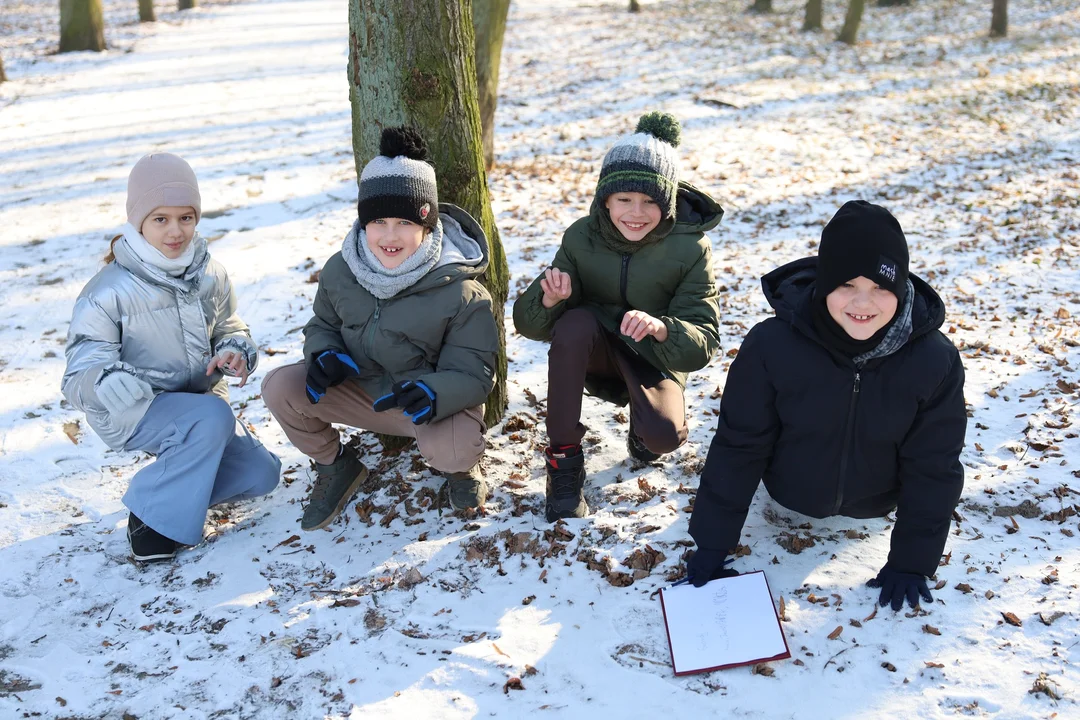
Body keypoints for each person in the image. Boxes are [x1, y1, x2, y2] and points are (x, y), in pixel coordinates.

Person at [688, 200, 967, 611]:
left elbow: (934, 465)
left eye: (880, 287)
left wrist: (913, 562)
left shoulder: (933, 360)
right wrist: (713, 542)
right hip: (788, 493)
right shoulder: (772, 346)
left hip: (877, 502)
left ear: (901, 286)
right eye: (847, 286)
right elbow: (740, 445)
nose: (863, 303)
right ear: (823, 285)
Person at [261, 127, 499, 530]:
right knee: (279, 388)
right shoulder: (342, 269)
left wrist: (432, 392)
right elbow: (323, 323)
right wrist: (323, 354)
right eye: (378, 221)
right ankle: (336, 466)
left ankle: (462, 471)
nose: (390, 236)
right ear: (364, 223)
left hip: (424, 404)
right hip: (361, 391)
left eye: (405, 222)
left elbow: (474, 371)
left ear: (427, 225)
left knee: (454, 450)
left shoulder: (460, 291)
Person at [62, 152, 281, 563]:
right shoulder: (108, 290)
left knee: (262, 473)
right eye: (160, 219)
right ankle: (150, 517)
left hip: (196, 405)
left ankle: (178, 494)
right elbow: (78, 371)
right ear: (138, 221)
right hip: (134, 407)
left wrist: (235, 350)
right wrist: (105, 379)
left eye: (186, 217)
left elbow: (230, 326)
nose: (175, 231)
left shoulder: (209, 272)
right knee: (214, 417)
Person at [513, 111, 723, 523]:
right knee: (574, 324)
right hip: (591, 349)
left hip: (652, 356)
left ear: (666, 204)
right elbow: (528, 324)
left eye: (650, 201)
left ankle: (644, 429)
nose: (636, 212)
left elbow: (703, 341)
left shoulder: (691, 249)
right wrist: (551, 300)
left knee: (663, 437)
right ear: (604, 199)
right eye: (624, 198)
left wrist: (663, 328)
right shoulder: (580, 237)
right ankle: (563, 466)